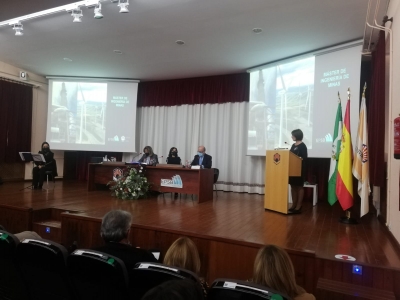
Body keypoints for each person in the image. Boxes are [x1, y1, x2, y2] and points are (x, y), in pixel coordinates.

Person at [288, 129, 307, 214]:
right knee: (293, 186)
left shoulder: (303, 146)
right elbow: (290, 155)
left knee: (299, 187)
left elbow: (304, 158)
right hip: (292, 169)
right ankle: (293, 205)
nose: (291, 137)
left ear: (297, 135)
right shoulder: (293, 145)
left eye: (293, 135)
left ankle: (299, 206)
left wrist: (298, 160)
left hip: (299, 169)